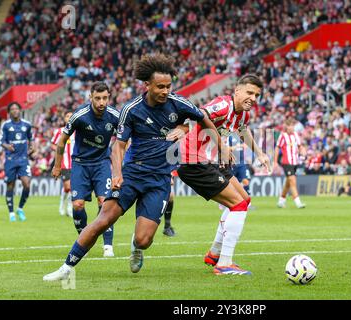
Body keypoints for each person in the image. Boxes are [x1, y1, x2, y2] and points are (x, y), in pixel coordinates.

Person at [43, 53, 221, 281]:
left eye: (168, 86)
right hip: (132, 174)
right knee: (103, 220)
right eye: (160, 87)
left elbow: (202, 117)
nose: (165, 91)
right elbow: (118, 147)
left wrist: (207, 140)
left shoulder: (178, 103)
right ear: (147, 85)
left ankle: (135, 247)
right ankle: (66, 268)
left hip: (160, 179)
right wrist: (117, 174)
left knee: (144, 240)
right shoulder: (131, 109)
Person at [177, 74, 271, 275]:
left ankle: (214, 253)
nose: (253, 98)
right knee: (237, 205)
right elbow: (200, 114)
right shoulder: (223, 105)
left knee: (244, 200)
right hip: (193, 160)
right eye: (249, 93)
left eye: (256, 95)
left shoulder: (243, 115)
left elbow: (243, 131)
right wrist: (222, 147)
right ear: (237, 91)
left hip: (212, 161)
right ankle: (224, 263)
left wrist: (260, 153)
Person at [51, 82, 119, 257]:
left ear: (109, 97)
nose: (101, 102)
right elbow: (62, 140)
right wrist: (57, 166)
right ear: (91, 97)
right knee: (78, 205)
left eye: (105, 98)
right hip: (80, 164)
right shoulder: (80, 115)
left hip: (102, 163)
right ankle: (84, 240)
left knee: (104, 202)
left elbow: (124, 140)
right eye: (97, 98)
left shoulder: (114, 116)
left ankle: (108, 246)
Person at [0, 102, 34, 222]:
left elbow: (31, 138)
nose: (15, 111)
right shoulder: (5, 125)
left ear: (20, 110)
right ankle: (11, 213)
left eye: (17, 108)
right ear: (9, 112)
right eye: (12, 109)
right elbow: (1, 141)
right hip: (10, 160)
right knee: (10, 186)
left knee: (27, 184)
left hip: (23, 159)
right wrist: (7, 146)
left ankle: (20, 208)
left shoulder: (27, 124)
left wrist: (32, 147)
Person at [275, 118, 306, 209]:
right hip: (286, 162)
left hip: (295, 162)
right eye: (290, 126)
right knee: (292, 181)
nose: (292, 128)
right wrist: (275, 162)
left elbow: (300, 146)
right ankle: (298, 202)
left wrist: (303, 151)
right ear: (286, 127)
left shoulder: (296, 135)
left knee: (288, 183)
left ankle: (281, 200)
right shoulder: (283, 136)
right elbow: (277, 148)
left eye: (293, 126)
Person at [51, 111, 74, 217]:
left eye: (71, 116)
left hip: (75, 163)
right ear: (64, 119)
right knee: (68, 186)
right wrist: (60, 151)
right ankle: (62, 205)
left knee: (71, 188)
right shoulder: (60, 131)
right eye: (67, 116)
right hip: (64, 162)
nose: (69, 118)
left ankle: (69, 207)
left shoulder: (78, 132)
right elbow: (52, 145)